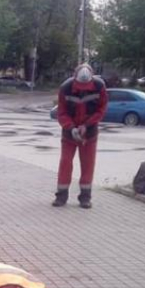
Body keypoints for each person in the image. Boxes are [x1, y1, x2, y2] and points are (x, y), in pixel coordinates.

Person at [53, 63, 108, 209]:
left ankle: (85, 197)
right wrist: (71, 128)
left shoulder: (99, 87)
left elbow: (101, 109)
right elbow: (62, 112)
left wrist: (87, 125)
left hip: (89, 134)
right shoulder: (65, 88)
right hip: (69, 134)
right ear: (74, 77)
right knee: (65, 162)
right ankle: (61, 196)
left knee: (88, 164)